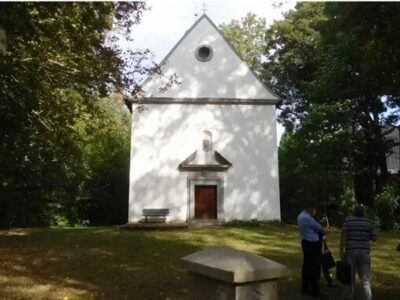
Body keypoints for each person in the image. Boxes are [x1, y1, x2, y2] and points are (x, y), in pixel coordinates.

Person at [340, 204, 377, 300]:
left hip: (351, 252)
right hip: (364, 253)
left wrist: (341, 250)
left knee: (349, 278)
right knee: (365, 280)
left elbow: (344, 236)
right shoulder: (368, 222)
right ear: (363, 213)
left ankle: (348, 297)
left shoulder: (348, 220)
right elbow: (375, 238)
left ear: (354, 212)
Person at [297, 202, 324, 296]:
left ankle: (305, 287)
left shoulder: (300, 216)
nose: (314, 211)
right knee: (315, 267)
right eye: (314, 209)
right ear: (310, 208)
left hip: (305, 241)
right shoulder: (307, 218)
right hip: (312, 243)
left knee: (307, 265)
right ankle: (314, 289)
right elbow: (319, 228)